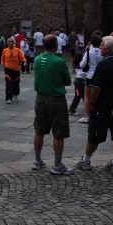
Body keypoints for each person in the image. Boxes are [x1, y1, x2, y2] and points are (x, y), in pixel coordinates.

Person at [74, 36, 113, 174]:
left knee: (94, 133)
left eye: (101, 46)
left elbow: (96, 89)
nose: (100, 48)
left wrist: (92, 103)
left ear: (107, 49)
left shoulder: (104, 65)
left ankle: (86, 160)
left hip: (104, 106)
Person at [32, 35, 74, 175]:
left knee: (39, 130)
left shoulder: (37, 59)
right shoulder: (59, 61)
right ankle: (57, 165)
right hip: (56, 100)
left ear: (44, 45)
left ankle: (37, 161)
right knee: (58, 132)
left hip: (40, 98)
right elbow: (68, 81)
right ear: (56, 45)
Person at [77, 34, 103, 124]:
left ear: (91, 42)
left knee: (87, 97)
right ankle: (98, 114)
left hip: (90, 76)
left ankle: (87, 116)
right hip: (100, 76)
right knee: (99, 96)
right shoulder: (102, 51)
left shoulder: (89, 52)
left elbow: (82, 65)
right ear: (101, 43)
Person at [1, 37, 26, 104]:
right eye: (9, 42)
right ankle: (8, 98)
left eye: (12, 42)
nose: (11, 43)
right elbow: (2, 59)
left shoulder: (17, 50)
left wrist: (24, 61)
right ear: (7, 43)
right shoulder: (5, 50)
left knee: (16, 84)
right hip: (8, 70)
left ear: (14, 43)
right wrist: (3, 64)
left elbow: (22, 57)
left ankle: (15, 95)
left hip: (16, 70)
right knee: (8, 84)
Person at [68, 50, 87, 115]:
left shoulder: (76, 63)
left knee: (78, 95)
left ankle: (72, 109)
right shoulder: (82, 64)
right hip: (81, 82)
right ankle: (87, 112)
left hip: (77, 81)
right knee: (85, 96)